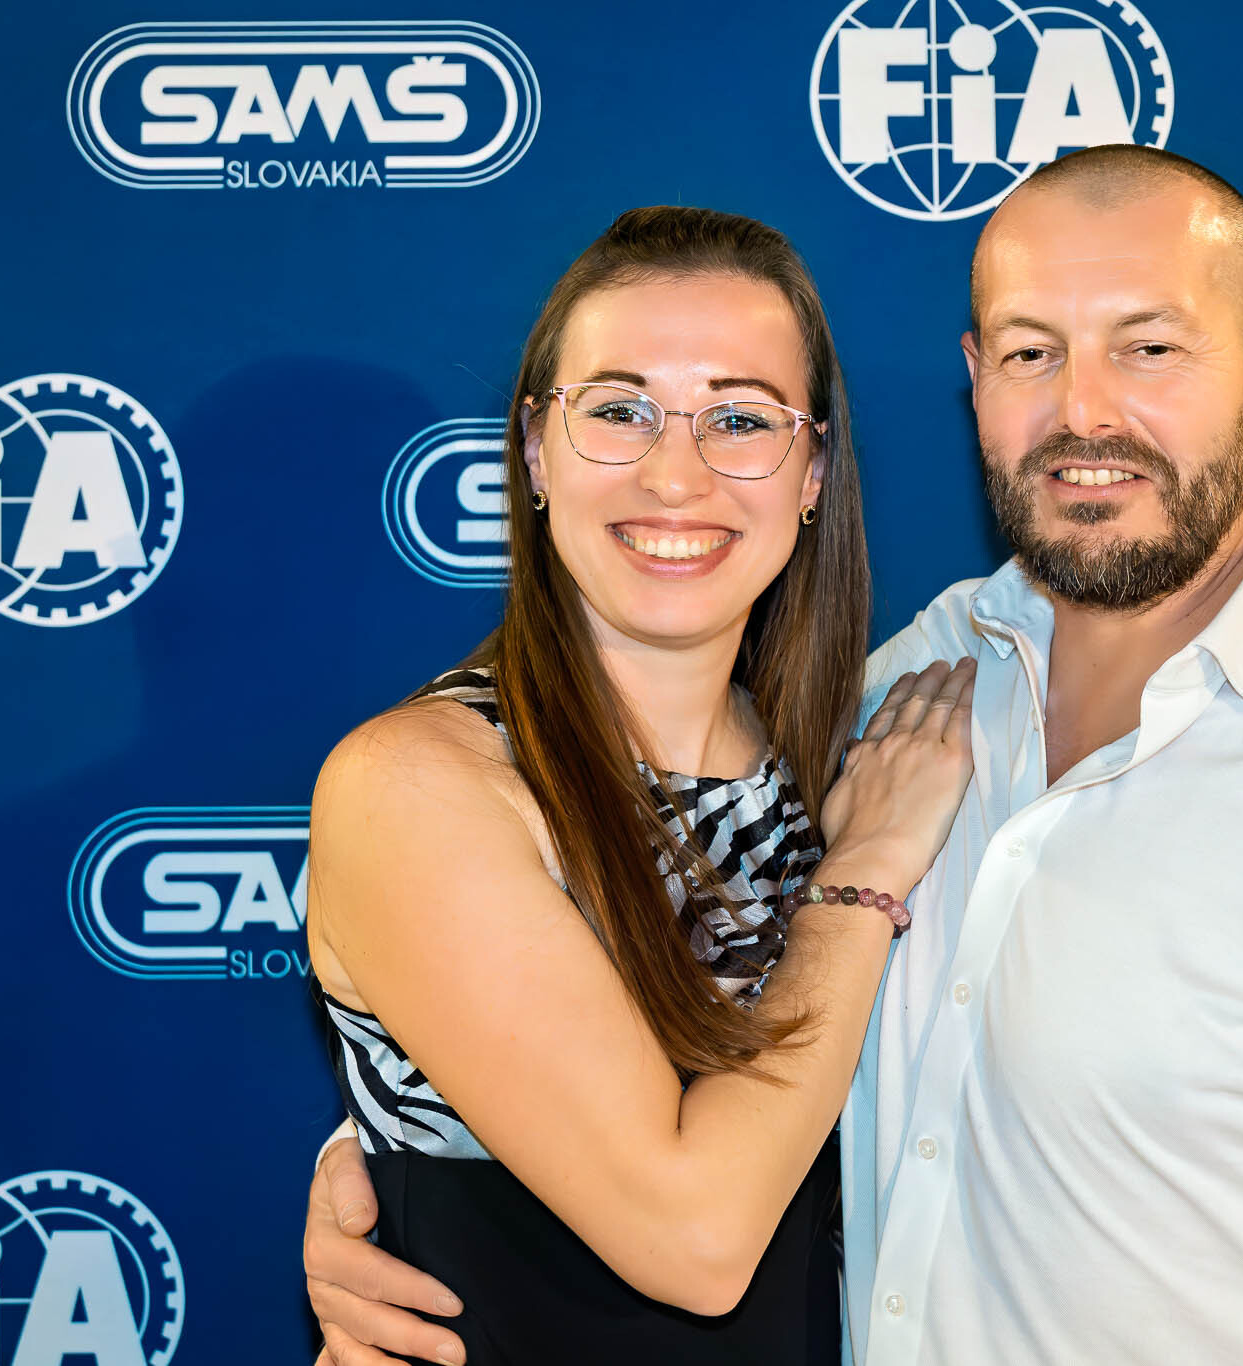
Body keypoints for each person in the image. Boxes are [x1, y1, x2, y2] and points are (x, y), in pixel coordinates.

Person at [306, 148, 1243, 1363]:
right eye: (1031, 352)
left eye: (1149, 346)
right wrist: (402, 1162)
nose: (1084, 411)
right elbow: (641, 1039)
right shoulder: (905, 702)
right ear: (973, 377)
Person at [303, 204, 975, 1366]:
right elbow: (695, 1240)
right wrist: (858, 882)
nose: (675, 474)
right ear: (534, 449)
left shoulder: (846, 765)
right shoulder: (417, 785)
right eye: (619, 411)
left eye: (739, 418)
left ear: (812, 471)